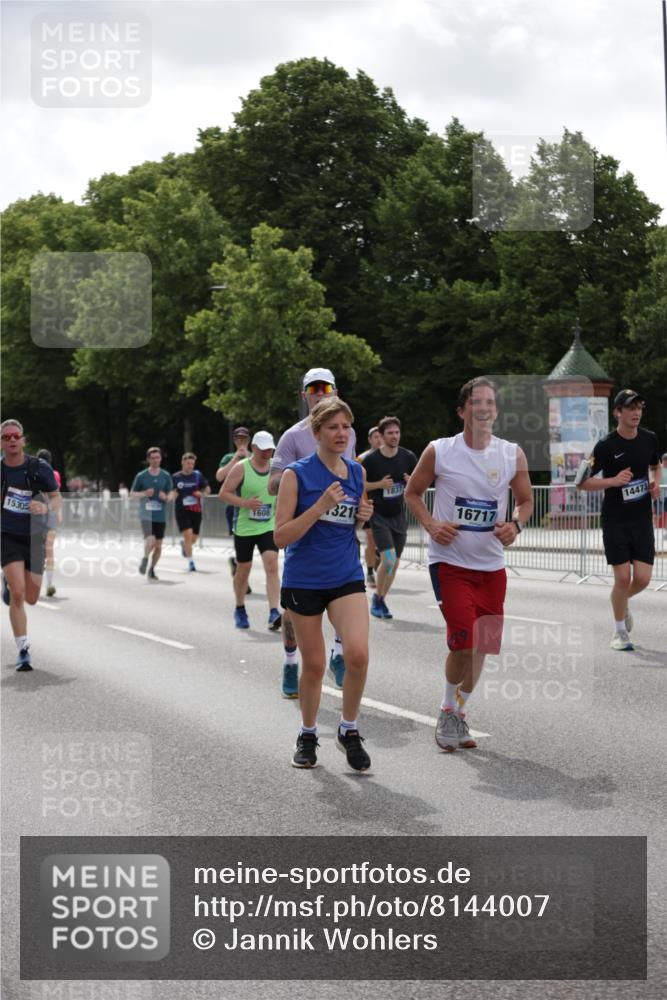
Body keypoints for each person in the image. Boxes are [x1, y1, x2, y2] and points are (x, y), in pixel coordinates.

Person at [405, 377, 533, 752]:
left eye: (490, 402)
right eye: (476, 402)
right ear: (462, 410)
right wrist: (430, 524)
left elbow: (524, 501)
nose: (484, 408)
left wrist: (516, 525)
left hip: (491, 567)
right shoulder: (440, 451)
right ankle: (447, 709)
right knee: (464, 642)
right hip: (450, 562)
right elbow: (413, 493)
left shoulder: (512, 454)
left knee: (484, 646)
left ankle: (459, 713)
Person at [274, 398, 373, 770]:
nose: (341, 433)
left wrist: (362, 517)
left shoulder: (356, 473)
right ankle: (308, 732)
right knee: (314, 665)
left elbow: (352, 525)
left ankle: (349, 730)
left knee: (358, 654)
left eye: (346, 427)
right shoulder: (296, 475)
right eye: (333, 427)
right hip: (305, 579)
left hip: (345, 574)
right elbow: (281, 536)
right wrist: (318, 508)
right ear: (316, 432)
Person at [269, 367, 357, 697]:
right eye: (313, 388)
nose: (320, 392)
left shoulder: (346, 431)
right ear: (304, 396)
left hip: (339, 529)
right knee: (293, 613)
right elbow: (273, 482)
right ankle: (291, 662)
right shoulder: (293, 437)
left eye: (326, 387)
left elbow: (350, 474)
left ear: (335, 390)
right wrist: (302, 475)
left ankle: (337, 654)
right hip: (303, 530)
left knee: (344, 597)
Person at [576, 389, 661, 651]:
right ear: (618, 413)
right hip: (615, 520)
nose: (636, 412)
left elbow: (656, 465)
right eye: (630, 408)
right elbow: (581, 482)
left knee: (644, 579)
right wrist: (613, 481)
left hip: (642, 519)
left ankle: (620, 602)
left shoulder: (650, 439)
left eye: (639, 407)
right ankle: (619, 632)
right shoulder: (606, 445)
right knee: (622, 578)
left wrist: (655, 482)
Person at [1, 420, 61, 670]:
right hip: (7, 535)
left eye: (16, 435)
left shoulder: (39, 467)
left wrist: (45, 506)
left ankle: (8, 582)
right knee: (17, 593)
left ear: (23, 440)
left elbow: (57, 499)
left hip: (35, 536)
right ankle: (23, 649)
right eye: (6, 437)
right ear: (2, 442)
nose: (12, 440)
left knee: (32, 598)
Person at [219, 431, 282, 630]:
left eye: (270, 450)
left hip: (268, 525)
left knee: (272, 565)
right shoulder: (242, 468)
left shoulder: (276, 468)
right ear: (254, 448)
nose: (266, 453)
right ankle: (239, 607)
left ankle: (274, 611)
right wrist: (244, 503)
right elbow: (224, 493)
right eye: (263, 450)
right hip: (245, 528)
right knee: (243, 570)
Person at [361, 416, 417, 620]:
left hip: (399, 516)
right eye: (390, 433)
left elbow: (418, 483)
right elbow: (360, 486)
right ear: (381, 436)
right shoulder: (371, 460)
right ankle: (377, 598)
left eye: (397, 432)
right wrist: (379, 486)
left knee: (395, 563)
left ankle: (380, 598)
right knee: (389, 558)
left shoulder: (408, 457)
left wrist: (412, 482)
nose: (394, 436)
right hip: (379, 516)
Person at [216, 427, 252, 591]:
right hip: (235, 507)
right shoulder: (229, 457)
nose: (241, 442)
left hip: (255, 506)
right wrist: (236, 458)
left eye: (244, 439)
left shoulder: (255, 456)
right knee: (242, 545)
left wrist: (248, 457)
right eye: (238, 439)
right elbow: (219, 477)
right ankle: (243, 578)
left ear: (249, 440)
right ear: (234, 441)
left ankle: (237, 564)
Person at [130, 447, 173, 581]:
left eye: (158, 457)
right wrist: (144, 493)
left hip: (160, 516)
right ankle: (145, 558)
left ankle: (152, 569)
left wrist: (166, 497)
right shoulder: (141, 476)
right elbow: (132, 494)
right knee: (151, 541)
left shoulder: (165, 475)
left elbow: (172, 493)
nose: (155, 460)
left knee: (158, 546)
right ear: (148, 459)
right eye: (153, 458)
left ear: (160, 459)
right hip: (146, 515)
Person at [170, 453, 210, 572]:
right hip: (182, 510)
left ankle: (185, 546)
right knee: (188, 534)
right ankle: (191, 562)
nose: (190, 466)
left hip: (196, 510)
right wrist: (173, 495)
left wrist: (202, 494)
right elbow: (171, 491)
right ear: (182, 463)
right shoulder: (176, 477)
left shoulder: (198, 475)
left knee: (194, 538)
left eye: (192, 464)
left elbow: (207, 489)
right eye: (188, 463)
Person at [356, 426, 382, 588]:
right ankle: (370, 572)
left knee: (387, 544)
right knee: (371, 538)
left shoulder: (391, 456)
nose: (379, 439)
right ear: (369, 440)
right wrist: (380, 484)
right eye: (375, 437)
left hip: (386, 507)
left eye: (381, 436)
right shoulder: (362, 459)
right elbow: (359, 484)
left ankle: (379, 557)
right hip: (368, 504)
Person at [35, 449, 62, 597]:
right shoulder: (55, 474)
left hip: (37, 514)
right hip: (50, 512)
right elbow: (56, 495)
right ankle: (50, 583)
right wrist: (59, 513)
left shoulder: (32, 472)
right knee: (49, 549)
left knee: (37, 550)